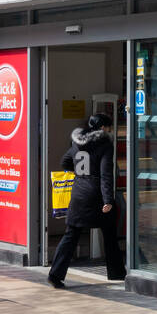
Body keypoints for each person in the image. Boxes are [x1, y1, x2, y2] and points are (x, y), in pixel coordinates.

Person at [48, 113, 125, 288]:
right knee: (110, 235)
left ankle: (55, 274)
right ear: (103, 128)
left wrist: (80, 173)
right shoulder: (105, 144)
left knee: (71, 234)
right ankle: (117, 272)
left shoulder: (77, 142)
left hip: (79, 193)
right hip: (96, 194)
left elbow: (65, 161)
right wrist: (108, 200)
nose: (110, 130)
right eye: (109, 127)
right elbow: (106, 175)